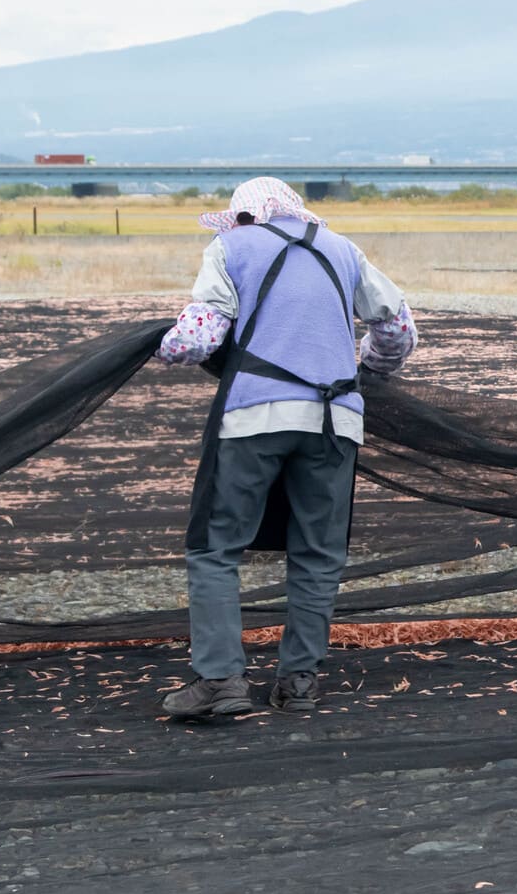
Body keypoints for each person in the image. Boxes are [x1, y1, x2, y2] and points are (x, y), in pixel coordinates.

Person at [154, 178, 416, 718]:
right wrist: (366, 368)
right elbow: (396, 330)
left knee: (215, 547)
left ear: (246, 216)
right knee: (318, 554)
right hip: (336, 422)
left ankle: (221, 680)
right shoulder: (343, 249)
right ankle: (298, 684)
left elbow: (200, 338)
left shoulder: (231, 248)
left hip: (254, 417)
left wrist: (164, 345)